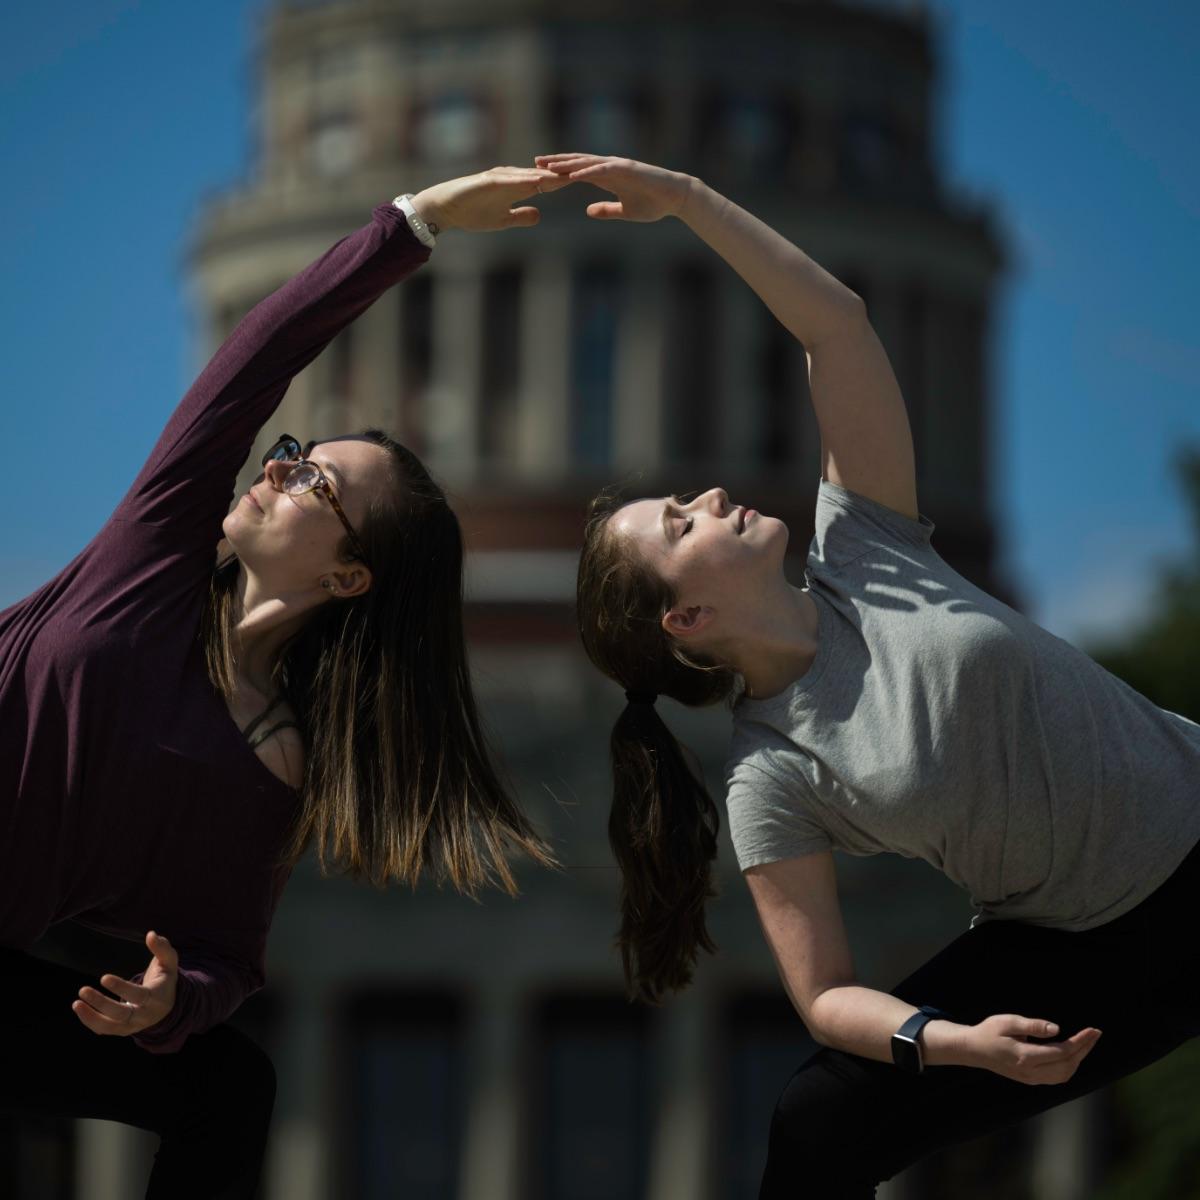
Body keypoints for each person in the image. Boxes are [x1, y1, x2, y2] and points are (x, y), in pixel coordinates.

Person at [561, 152, 1200, 1196]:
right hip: (1084, 952)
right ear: (686, 616)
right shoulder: (772, 776)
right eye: (680, 522)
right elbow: (825, 998)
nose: (712, 493)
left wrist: (685, 200)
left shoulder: (865, 546)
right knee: (817, 1121)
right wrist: (959, 1044)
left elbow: (836, 328)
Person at [0, 165, 569, 1199]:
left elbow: (226, 953)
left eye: (314, 481)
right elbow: (250, 365)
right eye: (295, 450)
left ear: (351, 576)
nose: (275, 466)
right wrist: (412, 224)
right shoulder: (149, 571)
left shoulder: (274, 763)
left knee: (228, 1086)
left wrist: (172, 1005)